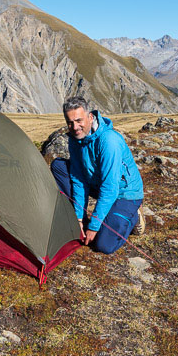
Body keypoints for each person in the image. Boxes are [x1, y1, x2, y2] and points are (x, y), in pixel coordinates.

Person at [50, 96, 144, 254]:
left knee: (103, 245)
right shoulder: (75, 139)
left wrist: (94, 227)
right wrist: (79, 218)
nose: (74, 127)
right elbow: (78, 179)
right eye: (70, 122)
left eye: (79, 120)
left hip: (124, 192)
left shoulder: (109, 141)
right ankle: (80, 220)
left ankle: (134, 216)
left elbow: (110, 187)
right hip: (97, 184)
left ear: (90, 116)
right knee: (59, 166)